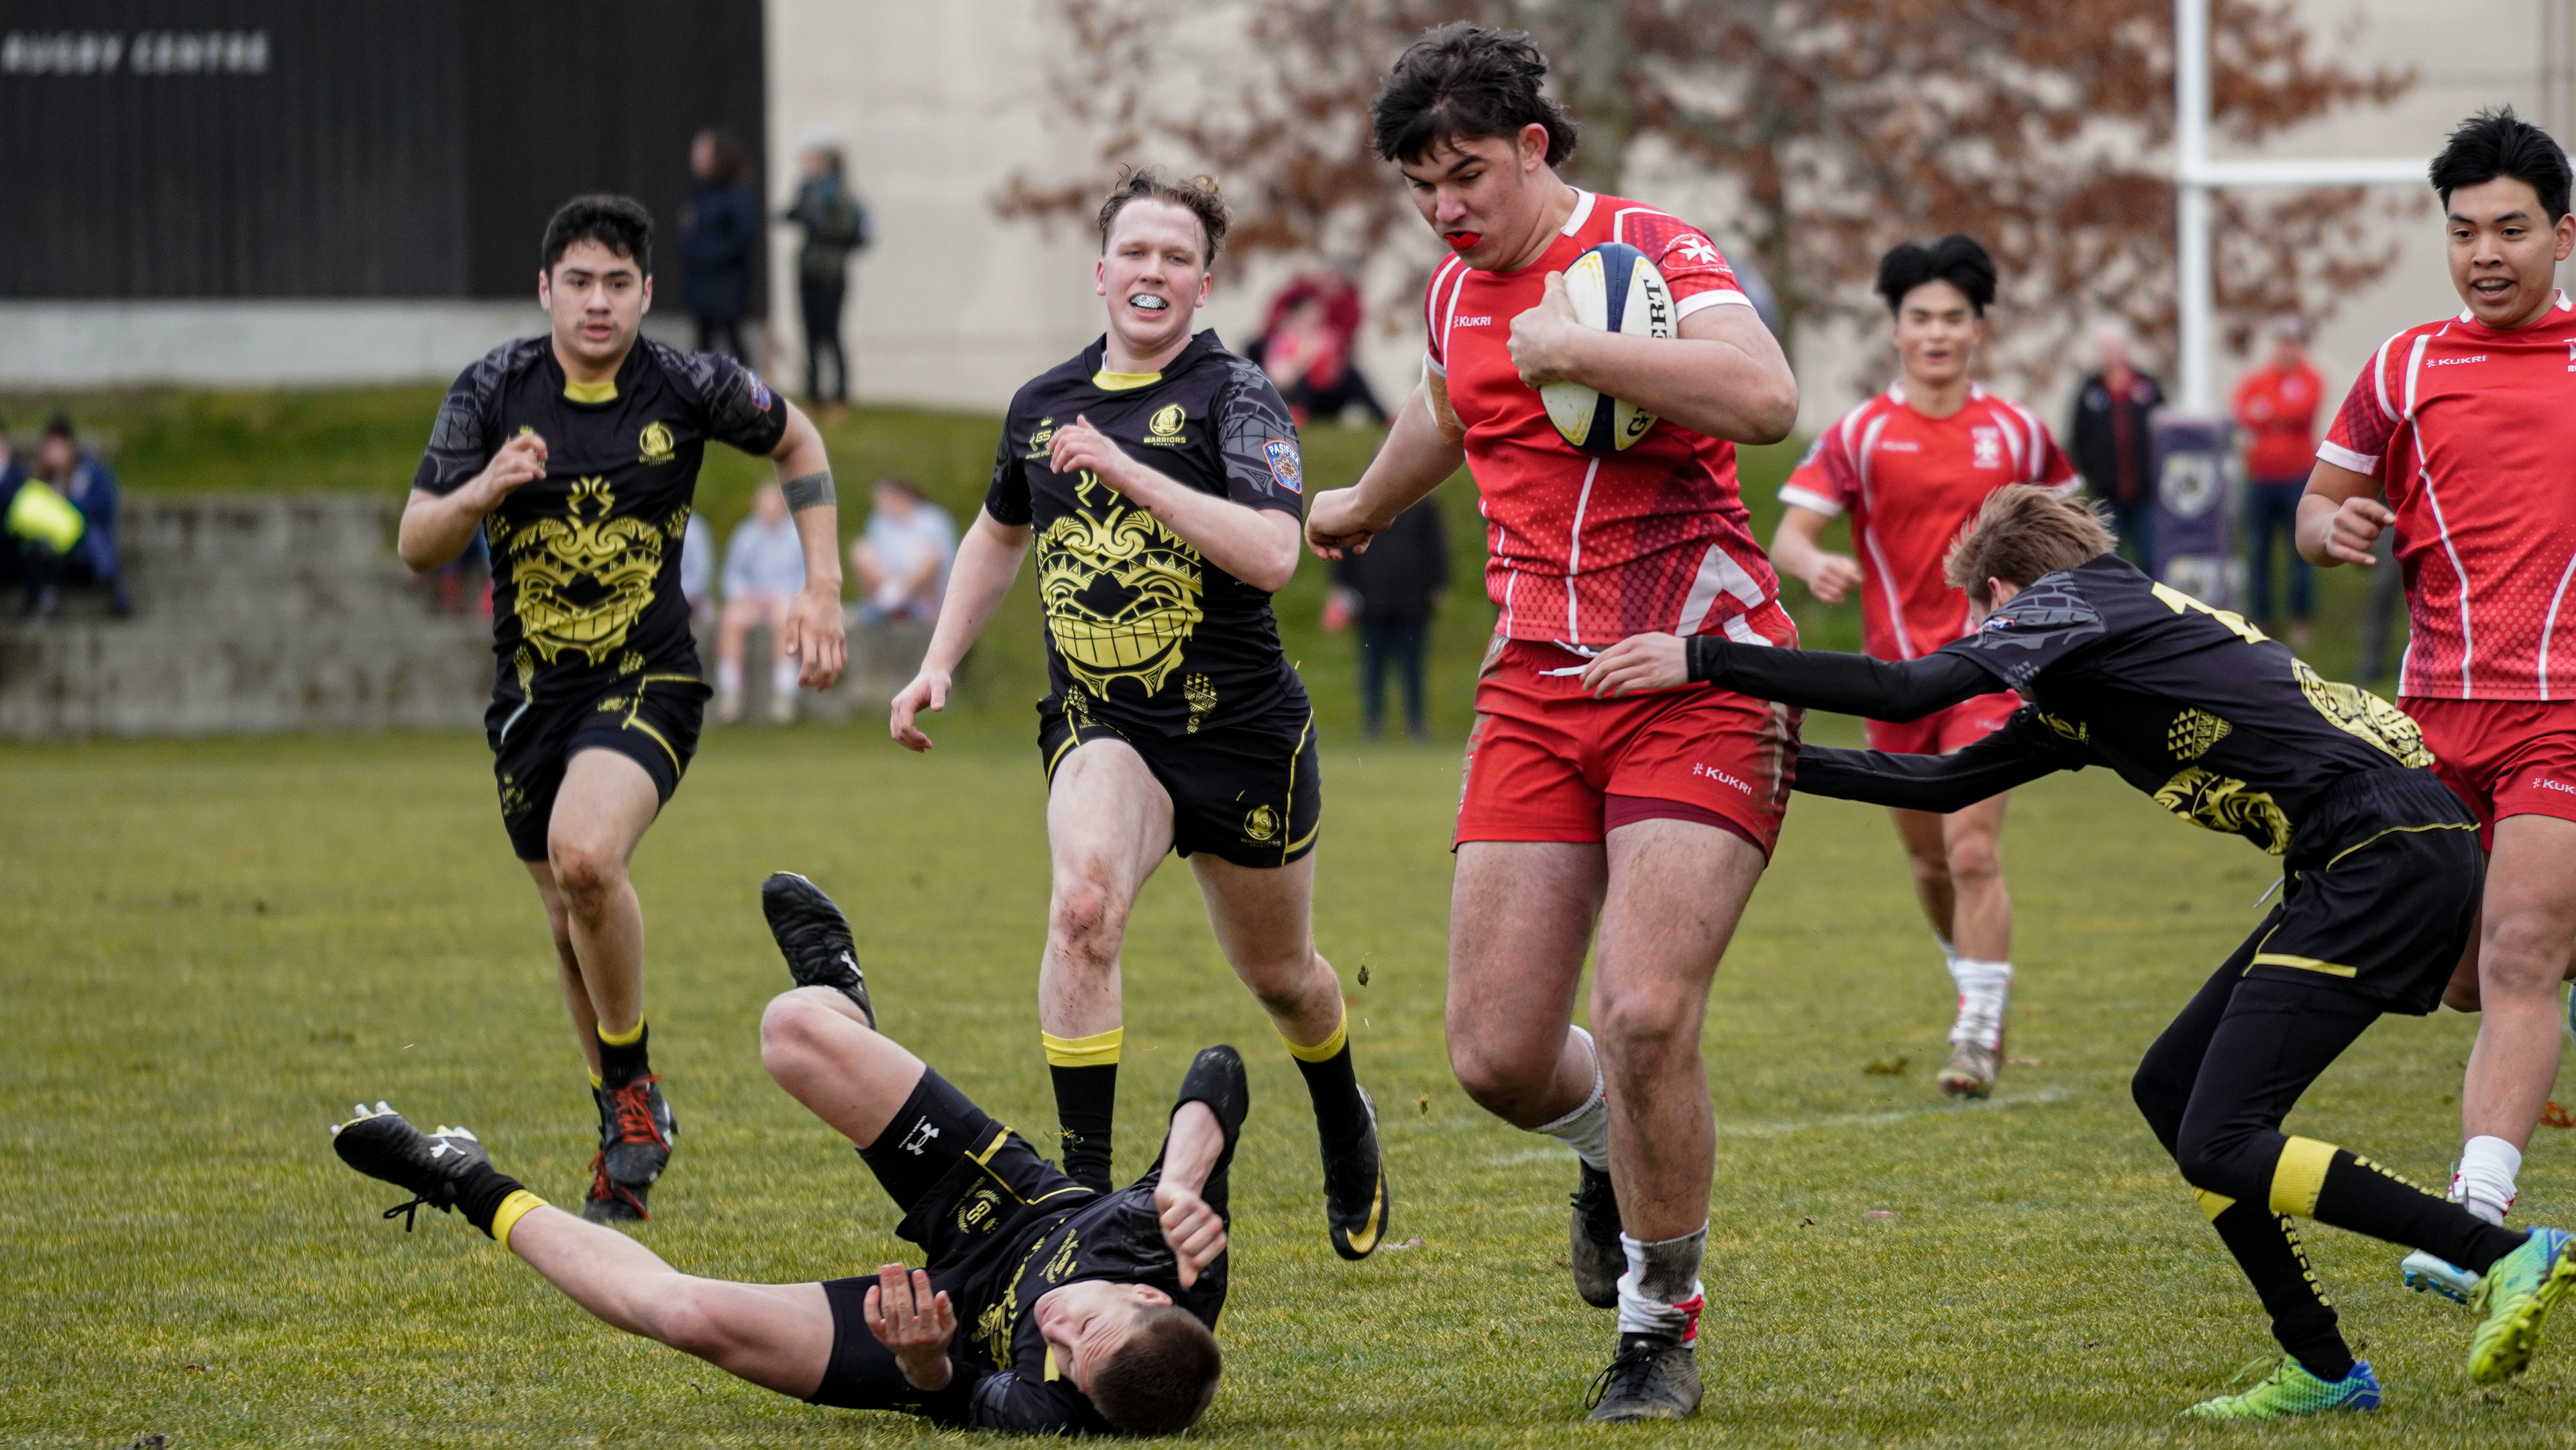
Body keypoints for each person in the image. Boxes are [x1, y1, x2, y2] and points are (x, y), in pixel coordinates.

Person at [1580, 484, 2576, 1419]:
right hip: (2365, 850)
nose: (1986, 636)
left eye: (1984, 615)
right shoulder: (2096, 669)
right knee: (2171, 1091)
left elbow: (1910, 687)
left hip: (2382, 848)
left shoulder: (2076, 602)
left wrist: (1704, 659)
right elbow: (1939, 779)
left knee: (2222, 1136)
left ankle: (2501, 1251)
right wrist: (1744, 762)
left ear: (2006, 590)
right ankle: (2321, 1364)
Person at [1305, 24, 1801, 1420]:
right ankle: (1606, 1150)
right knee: (1498, 1056)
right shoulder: (1450, 293)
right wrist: (1364, 503)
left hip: (1698, 670)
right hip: (1537, 685)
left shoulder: (1652, 251)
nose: (1445, 207)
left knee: (1640, 1014)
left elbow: (1766, 399)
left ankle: (1657, 1325)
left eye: (1466, 173)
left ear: (1533, 145)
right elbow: (1448, 410)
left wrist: (1581, 346)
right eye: (1421, 186)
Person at [887, 168, 1387, 1260]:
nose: (1153, 272)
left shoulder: (1238, 398)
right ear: (1101, 271)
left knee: (1283, 978)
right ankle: (1082, 1205)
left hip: (1241, 736)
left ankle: (1342, 1110)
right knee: (1083, 906)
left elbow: (1274, 554)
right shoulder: (1040, 405)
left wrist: (1129, 468)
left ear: (1204, 284)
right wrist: (937, 662)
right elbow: (998, 533)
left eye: (1177, 257)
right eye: (1136, 252)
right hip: (1105, 725)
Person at [329, 873, 1237, 1436]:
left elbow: (957, 1399)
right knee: (792, 1031)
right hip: (1007, 1202)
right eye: (1086, 1325)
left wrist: (925, 1362)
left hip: (935, 1321)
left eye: (1067, 1355)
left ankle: (459, 1172)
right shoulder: (1171, 1251)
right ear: (1148, 1296)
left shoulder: (1058, 1408)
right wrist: (1184, 1179)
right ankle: (841, 997)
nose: (1054, 1328)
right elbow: (1220, 1073)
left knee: (684, 1315)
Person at [400, 194, 848, 1224]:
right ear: (545, 289)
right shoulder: (491, 390)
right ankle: (626, 1113)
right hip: (530, 699)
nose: (596, 302)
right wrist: (483, 489)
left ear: (646, 292)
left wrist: (821, 585)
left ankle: (632, 1092)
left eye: (616, 284)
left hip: (650, 678)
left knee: (588, 857)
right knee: (571, 918)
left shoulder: (687, 383)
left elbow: (799, 439)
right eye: (578, 282)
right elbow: (418, 541)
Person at [2298, 107, 2576, 1303]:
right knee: (2459, 979)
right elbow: (2317, 508)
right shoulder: (2404, 366)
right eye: (2465, 232)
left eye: (2511, 229)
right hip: (2431, 722)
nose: (2486, 254)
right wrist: (2335, 528)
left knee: (2520, 955)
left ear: (2563, 235)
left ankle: (2475, 1227)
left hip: (2563, 711)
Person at [1770, 235, 2078, 1098]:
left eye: (1953, 318)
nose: (1937, 333)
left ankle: (1976, 1031)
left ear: (1978, 330)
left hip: (1993, 675)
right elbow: (1790, 534)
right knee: (1932, 865)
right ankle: (1975, 982)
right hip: (1896, 682)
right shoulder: (1861, 434)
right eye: (1921, 318)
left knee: (1972, 851)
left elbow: (2076, 542)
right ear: (1896, 330)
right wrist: (1814, 563)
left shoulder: (2017, 433)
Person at [2232, 313, 2323, 649]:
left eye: (2293, 342)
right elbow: (2241, 410)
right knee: (2259, 549)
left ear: (2302, 346)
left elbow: (2300, 412)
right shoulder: (2258, 379)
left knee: (2300, 550)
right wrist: (2273, 415)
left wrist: (2267, 414)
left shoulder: (2311, 379)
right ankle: (2262, 618)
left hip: (2297, 478)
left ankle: (2300, 618)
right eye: (2282, 341)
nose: (2287, 348)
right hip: (2261, 478)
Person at [1330, 498, 1447, 740]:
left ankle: (1416, 723)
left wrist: (1437, 584)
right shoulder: (1363, 498)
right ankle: (1373, 722)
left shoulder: (1421, 503)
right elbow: (1347, 547)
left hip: (1412, 602)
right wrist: (1341, 587)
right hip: (1371, 602)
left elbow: (1435, 546)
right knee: (1373, 666)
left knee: (1413, 666)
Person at [2069, 319, 2166, 572]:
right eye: (2104, 348)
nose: (2109, 354)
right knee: (2109, 564)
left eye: (2113, 348)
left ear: (2125, 348)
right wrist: (2093, 474)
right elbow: (2079, 437)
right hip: (2107, 497)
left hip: (2146, 495)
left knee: (2152, 559)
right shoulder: (2090, 391)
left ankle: (2153, 600)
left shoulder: (2146, 386)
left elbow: (2164, 432)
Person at [784, 138, 869, 410]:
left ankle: (841, 396)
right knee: (809, 334)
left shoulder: (837, 192)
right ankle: (814, 395)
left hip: (831, 272)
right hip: (808, 269)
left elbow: (846, 228)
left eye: (812, 157)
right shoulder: (807, 189)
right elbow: (798, 214)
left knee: (831, 333)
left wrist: (820, 225)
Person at [717, 480, 812, 725]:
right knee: (731, 620)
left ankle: (785, 694)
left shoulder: (795, 536)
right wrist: (747, 595)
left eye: (774, 506)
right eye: (765, 506)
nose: (770, 512)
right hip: (751, 601)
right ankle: (730, 693)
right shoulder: (745, 534)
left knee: (784, 619)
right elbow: (732, 576)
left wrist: (781, 594)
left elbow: (805, 577)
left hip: (784, 600)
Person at [25, 415, 133, 617]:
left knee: (93, 534)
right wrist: (43, 478)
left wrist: (68, 502)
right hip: (57, 549)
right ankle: (44, 597)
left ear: (70, 446)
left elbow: (102, 508)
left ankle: (113, 586)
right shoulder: (43, 478)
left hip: (87, 546)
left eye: (59, 447)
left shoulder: (93, 473)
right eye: (49, 449)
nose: (55, 454)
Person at [1254, 274, 1387, 426]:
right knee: (1303, 379)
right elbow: (1278, 376)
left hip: (1327, 394)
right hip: (1300, 393)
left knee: (1352, 374)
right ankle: (1295, 412)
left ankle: (1382, 416)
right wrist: (1301, 360)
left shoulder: (1328, 337)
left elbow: (1334, 368)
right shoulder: (1286, 339)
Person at [676, 127, 759, 364]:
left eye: (702, 153)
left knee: (733, 338)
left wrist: (710, 255)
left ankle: (748, 385)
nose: (695, 159)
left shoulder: (737, 193)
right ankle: (701, 385)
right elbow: (686, 228)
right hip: (699, 280)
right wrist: (685, 250)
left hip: (727, 282)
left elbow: (741, 235)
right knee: (703, 341)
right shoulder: (697, 191)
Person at [849, 476, 958, 624]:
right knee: (860, 550)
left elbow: (942, 558)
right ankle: (885, 602)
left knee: (929, 555)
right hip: (890, 580)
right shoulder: (878, 521)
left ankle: (905, 600)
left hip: (926, 588)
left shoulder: (932, 519)